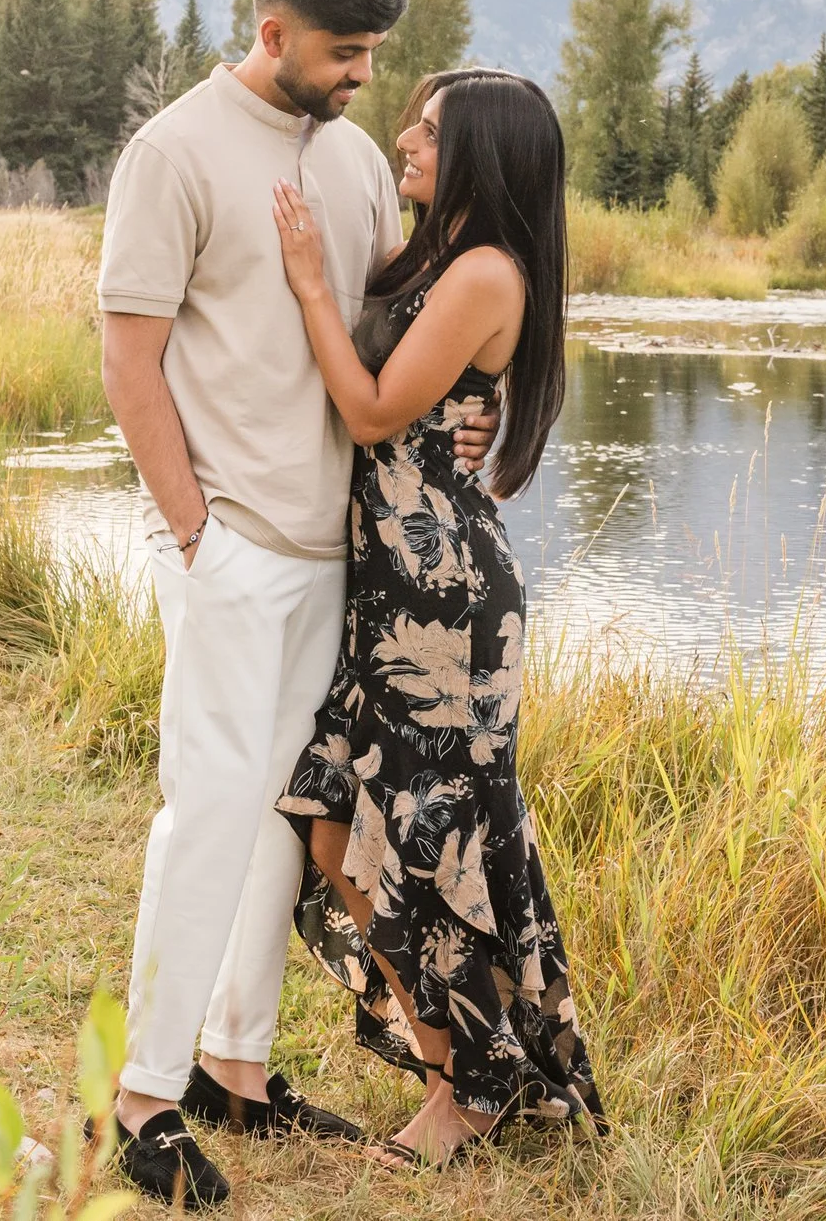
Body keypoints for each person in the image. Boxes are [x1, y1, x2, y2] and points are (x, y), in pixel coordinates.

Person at [96, 0, 496, 1208]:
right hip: (230, 548)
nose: (362, 76)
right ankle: (144, 1101)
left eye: (374, 54)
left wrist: (469, 408)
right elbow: (127, 357)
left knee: (282, 813)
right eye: (343, 52)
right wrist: (190, 531)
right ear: (271, 32)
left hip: (336, 554)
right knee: (207, 807)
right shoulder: (172, 155)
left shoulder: (352, 160)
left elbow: (379, 331)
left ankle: (234, 1063)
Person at [270, 68, 603, 1167]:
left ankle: (460, 1091)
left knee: (429, 839)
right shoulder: (432, 261)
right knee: (335, 822)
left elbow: (369, 409)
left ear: (480, 157)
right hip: (393, 592)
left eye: (428, 128)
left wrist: (313, 285)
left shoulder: (485, 271)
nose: (405, 137)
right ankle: (471, 1067)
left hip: (447, 608)